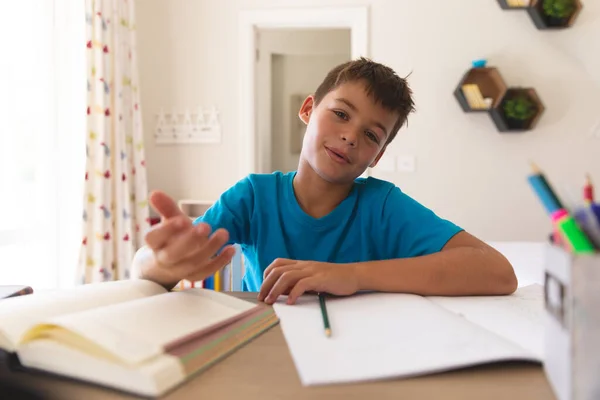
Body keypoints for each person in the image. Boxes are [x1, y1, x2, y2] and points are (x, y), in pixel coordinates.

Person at [132, 57, 518, 305]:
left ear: (377, 157)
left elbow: (497, 270)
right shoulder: (253, 196)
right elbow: (145, 272)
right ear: (307, 109)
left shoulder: (382, 205)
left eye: (371, 135)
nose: (351, 136)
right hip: (265, 349)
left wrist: (351, 275)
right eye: (340, 114)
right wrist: (161, 261)